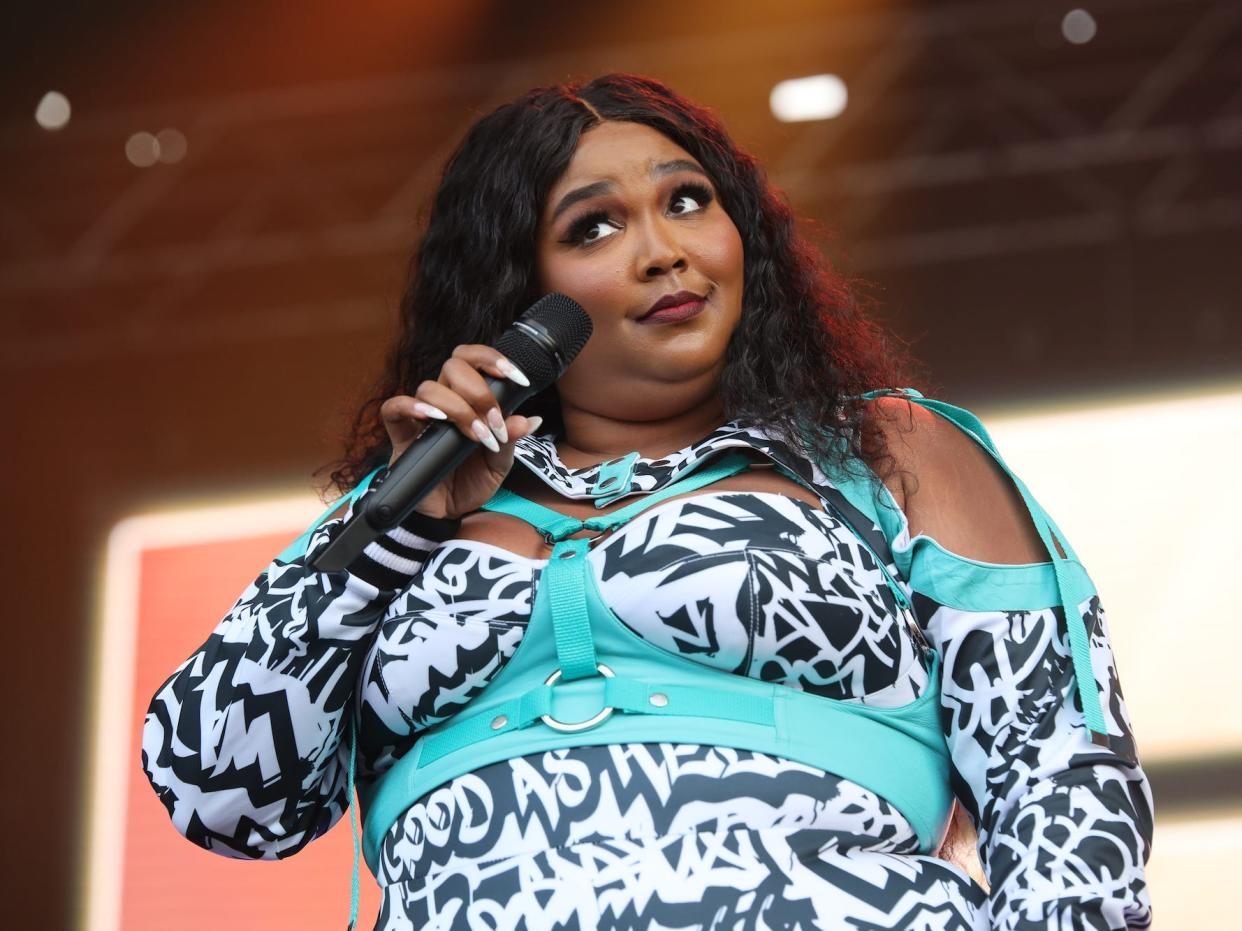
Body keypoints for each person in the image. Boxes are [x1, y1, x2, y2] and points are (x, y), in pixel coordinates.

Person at [141, 73, 1153, 930]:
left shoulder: (879, 451)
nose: (663, 249)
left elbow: (1058, 776)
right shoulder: (416, 497)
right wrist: (394, 531)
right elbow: (219, 790)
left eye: (685, 201)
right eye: (594, 226)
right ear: (516, 288)